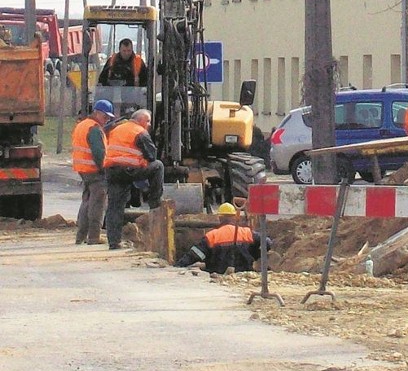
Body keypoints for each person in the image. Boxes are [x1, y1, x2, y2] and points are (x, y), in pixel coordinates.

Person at [104, 109, 164, 250]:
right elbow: (151, 156)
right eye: (148, 121)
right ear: (140, 120)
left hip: (112, 171)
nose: (149, 124)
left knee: (115, 206)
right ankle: (155, 203)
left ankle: (114, 242)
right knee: (158, 166)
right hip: (130, 170)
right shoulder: (139, 132)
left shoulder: (116, 129)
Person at [175, 202, 269, 274]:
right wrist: (254, 255)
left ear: (219, 217)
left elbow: (194, 255)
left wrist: (178, 266)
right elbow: (267, 242)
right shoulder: (247, 233)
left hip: (218, 275)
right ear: (235, 216)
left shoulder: (212, 236)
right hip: (245, 274)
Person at [72, 99, 115, 244]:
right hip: (95, 171)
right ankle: (94, 237)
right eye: (105, 116)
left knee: (86, 203)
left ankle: (80, 237)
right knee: (97, 204)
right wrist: (105, 169)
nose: (107, 119)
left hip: (83, 171)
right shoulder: (95, 129)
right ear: (97, 113)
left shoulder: (82, 125)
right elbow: (99, 153)